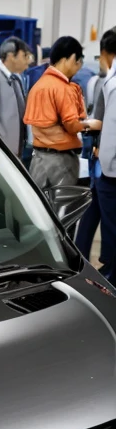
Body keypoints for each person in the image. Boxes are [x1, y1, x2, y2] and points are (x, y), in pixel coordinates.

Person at [24, 35, 99, 188]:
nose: (79, 67)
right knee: (62, 207)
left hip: (38, 159)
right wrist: (93, 124)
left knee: (40, 206)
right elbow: (72, 125)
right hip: (61, 161)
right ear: (70, 58)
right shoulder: (63, 88)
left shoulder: (38, 86)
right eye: (78, 61)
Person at [76, 28, 116, 262]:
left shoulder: (107, 84)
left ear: (106, 54)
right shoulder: (99, 82)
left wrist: (75, 126)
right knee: (96, 213)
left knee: (107, 220)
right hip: (98, 162)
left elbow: (104, 124)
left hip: (105, 166)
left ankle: (108, 268)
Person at [96, 33, 116, 281]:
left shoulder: (112, 84)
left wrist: (104, 165)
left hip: (113, 174)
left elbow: (111, 132)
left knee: (111, 226)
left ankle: (112, 273)